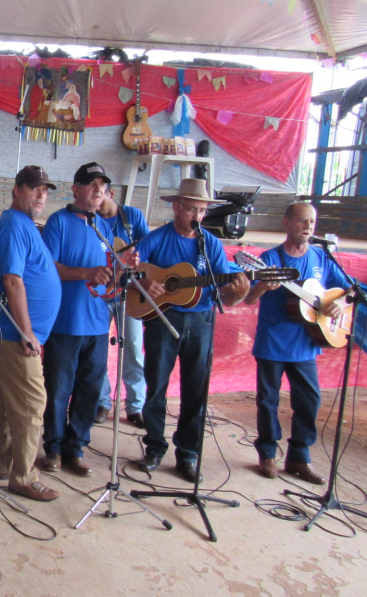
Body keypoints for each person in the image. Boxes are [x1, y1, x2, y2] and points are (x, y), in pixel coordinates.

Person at [135, 179, 250, 483]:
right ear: (176, 207)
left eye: (201, 210)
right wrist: (145, 282)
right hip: (163, 319)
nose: (197, 215)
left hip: (201, 321)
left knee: (195, 389)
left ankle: (187, 453)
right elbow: (129, 268)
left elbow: (225, 285)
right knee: (156, 385)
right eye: (192, 209)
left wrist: (238, 291)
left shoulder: (209, 243)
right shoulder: (157, 238)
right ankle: (155, 447)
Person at [245, 202, 346, 484]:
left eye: (312, 221)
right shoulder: (269, 258)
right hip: (273, 341)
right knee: (268, 401)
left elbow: (347, 287)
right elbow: (249, 298)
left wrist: (338, 302)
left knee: (310, 401)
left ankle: (299, 457)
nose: (308, 227)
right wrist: (265, 284)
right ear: (286, 223)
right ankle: (267, 454)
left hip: (306, 342)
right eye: (302, 221)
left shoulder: (320, 256)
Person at [41, 163, 128, 477]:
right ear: (75, 189)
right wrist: (85, 274)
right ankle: (52, 448)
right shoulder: (58, 222)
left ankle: (75, 449)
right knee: (58, 391)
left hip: (97, 325)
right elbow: (47, 268)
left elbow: (107, 277)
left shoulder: (103, 228)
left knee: (90, 391)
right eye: (92, 185)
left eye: (103, 186)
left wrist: (120, 272)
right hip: (65, 324)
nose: (98, 191)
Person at [0, 165, 62, 502]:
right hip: (14, 334)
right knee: (33, 403)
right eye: (34, 189)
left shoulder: (24, 225)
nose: (40, 195)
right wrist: (27, 331)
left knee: (11, 404)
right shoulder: (15, 226)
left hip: (17, 333)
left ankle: (5, 465)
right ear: (17, 190)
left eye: (44, 190)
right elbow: (12, 281)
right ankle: (23, 477)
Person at [94, 188, 149, 428]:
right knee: (97, 349)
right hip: (100, 293)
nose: (96, 198)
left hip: (129, 292)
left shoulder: (132, 216)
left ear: (111, 193)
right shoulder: (89, 219)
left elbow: (148, 251)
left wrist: (133, 259)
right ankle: (102, 401)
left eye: (100, 192)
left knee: (134, 347)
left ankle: (135, 405)